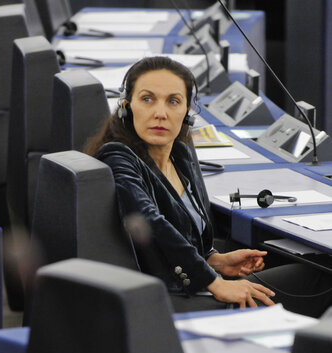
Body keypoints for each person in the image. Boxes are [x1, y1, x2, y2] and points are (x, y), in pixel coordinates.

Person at [85, 56, 332, 317]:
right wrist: (214, 281)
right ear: (126, 107)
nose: (160, 112)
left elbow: (185, 230)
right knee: (323, 279)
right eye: (147, 99)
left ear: (187, 113)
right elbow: (151, 222)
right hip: (172, 294)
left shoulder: (179, 153)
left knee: (311, 263)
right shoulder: (117, 157)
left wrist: (216, 259)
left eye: (173, 101)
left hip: (192, 277)